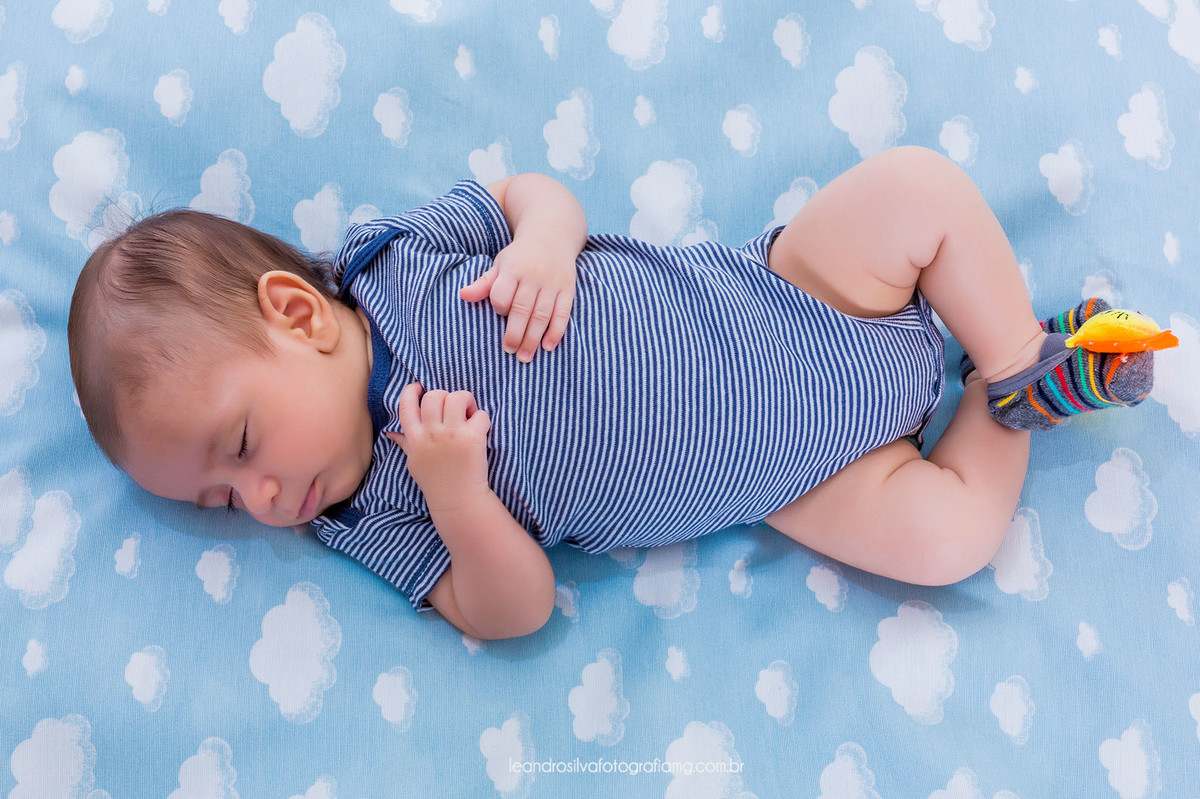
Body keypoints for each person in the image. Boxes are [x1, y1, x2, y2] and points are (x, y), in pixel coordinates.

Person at [67, 146, 1155, 641]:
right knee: (949, 541)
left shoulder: (394, 262)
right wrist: (457, 496)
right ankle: (1024, 398)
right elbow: (514, 612)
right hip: (804, 477)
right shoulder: (371, 516)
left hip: (793, 295)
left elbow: (523, 190)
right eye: (220, 500)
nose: (261, 499)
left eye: (240, 445)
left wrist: (544, 240)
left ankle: (1011, 347)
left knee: (917, 187)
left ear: (297, 314)